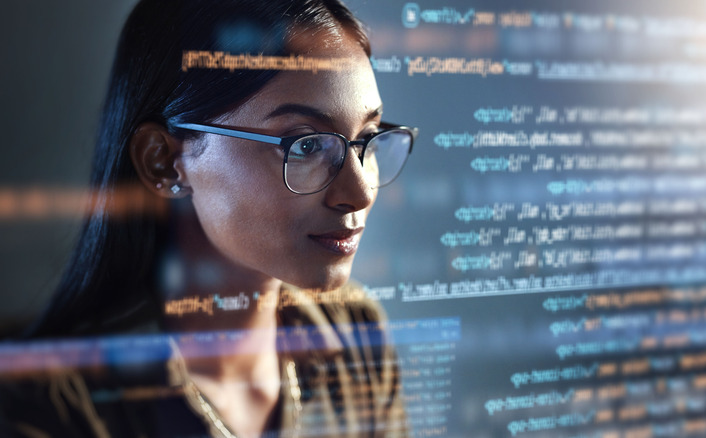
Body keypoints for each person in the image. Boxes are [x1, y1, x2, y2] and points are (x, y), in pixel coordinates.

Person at [0, 0, 415, 437]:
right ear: (163, 162)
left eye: (367, 139)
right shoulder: (45, 406)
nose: (361, 192)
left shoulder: (355, 336)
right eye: (306, 145)